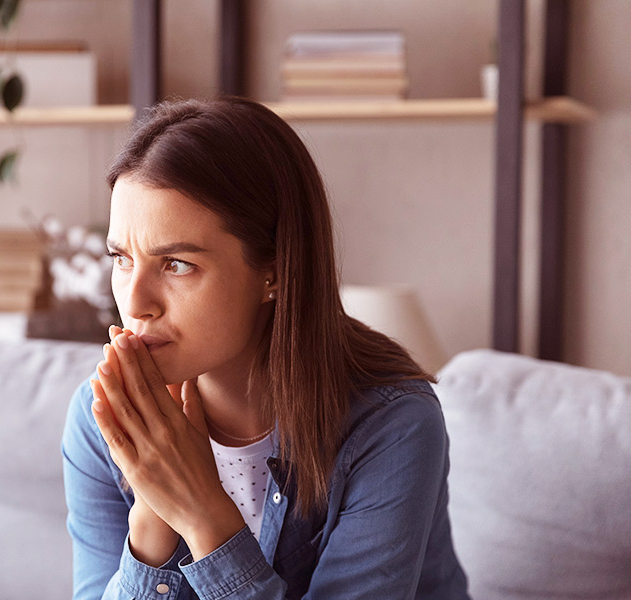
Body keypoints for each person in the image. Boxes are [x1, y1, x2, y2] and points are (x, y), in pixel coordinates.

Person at [61, 96, 470, 599]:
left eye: (177, 264)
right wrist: (152, 516)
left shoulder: (391, 423)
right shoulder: (99, 417)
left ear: (273, 270)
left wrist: (201, 512)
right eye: (121, 259)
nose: (135, 302)